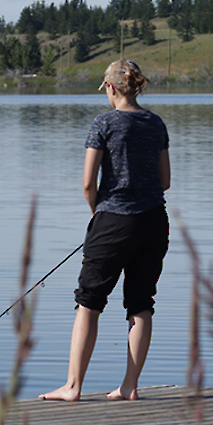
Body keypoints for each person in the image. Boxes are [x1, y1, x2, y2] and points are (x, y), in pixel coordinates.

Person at [40, 59, 170, 401]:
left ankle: (73, 386)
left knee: (89, 302)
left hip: (112, 221)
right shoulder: (155, 123)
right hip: (154, 221)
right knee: (141, 303)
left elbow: (87, 183)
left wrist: (100, 213)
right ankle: (129, 386)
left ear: (111, 88)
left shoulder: (104, 123)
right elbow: (166, 181)